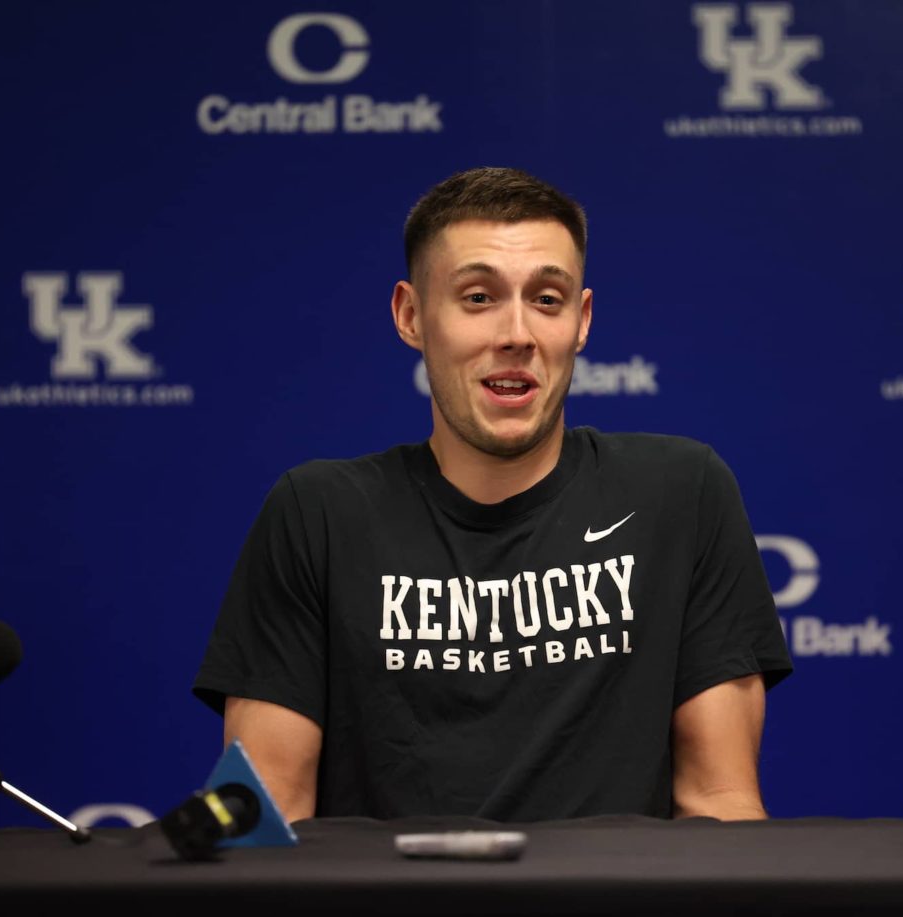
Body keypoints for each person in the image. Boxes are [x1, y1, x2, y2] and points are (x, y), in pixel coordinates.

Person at [192, 166, 793, 823]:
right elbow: (265, 810)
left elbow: (721, 799)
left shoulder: (683, 492)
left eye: (547, 298)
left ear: (582, 320)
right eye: (478, 297)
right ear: (411, 315)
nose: (517, 334)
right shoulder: (318, 513)